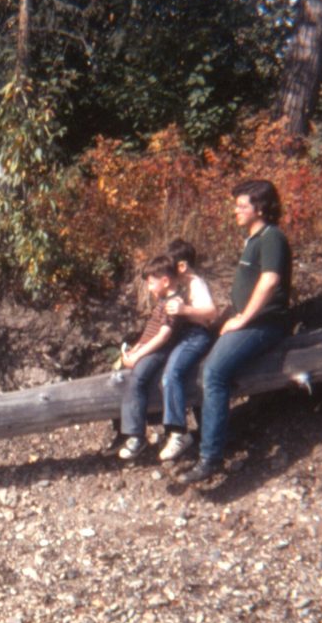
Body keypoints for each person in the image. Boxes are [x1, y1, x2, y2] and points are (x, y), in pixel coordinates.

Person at [180, 178, 292, 484]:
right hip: (248, 321)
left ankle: (210, 458)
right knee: (196, 360)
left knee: (214, 372)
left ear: (261, 208)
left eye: (242, 206)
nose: (236, 211)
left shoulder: (272, 237)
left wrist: (242, 320)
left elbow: (270, 282)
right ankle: (213, 436)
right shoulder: (253, 240)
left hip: (265, 325)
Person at [112, 255, 184, 460]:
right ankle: (123, 430)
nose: (149, 288)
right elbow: (150, 332)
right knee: (122, 377)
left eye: (152, 283)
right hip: (148, 348)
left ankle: (136, 435)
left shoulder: (173, 303)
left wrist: (138, 356)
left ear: (165, 281)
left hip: (159, 351)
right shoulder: (163, 301)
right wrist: (135, 348)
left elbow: (163, 336)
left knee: (137, 378)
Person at [156, 239, 218, 461]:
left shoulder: (195, 283)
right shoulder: (183, 285)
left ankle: (178, 432)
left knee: (171, 374)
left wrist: (185, 310)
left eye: (170, 266)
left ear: (181, 266)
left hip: (196, 336)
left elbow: (211, 312)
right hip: (187, 335)